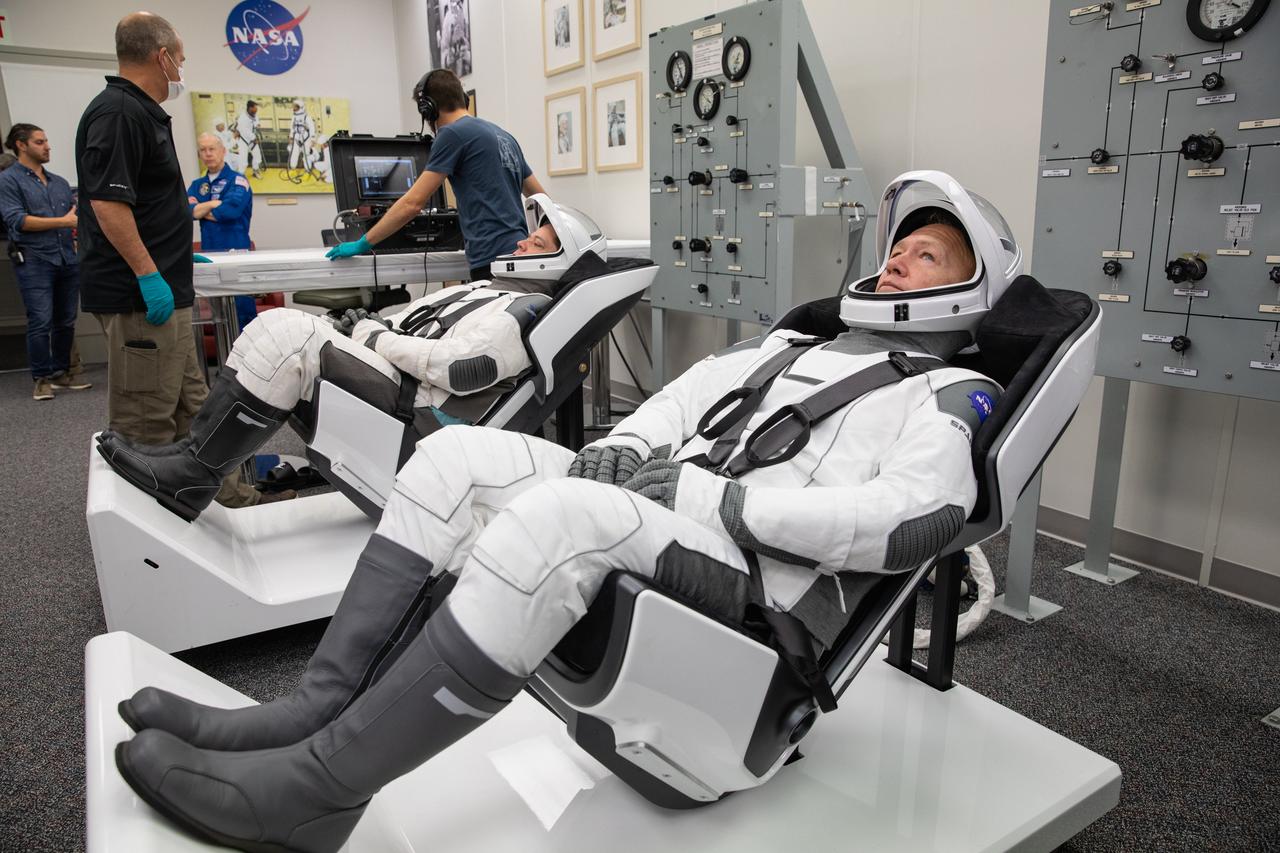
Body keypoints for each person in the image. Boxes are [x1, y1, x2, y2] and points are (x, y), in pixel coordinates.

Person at [113, 171, 1022, 852]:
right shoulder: (791, 342)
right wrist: (630, 446)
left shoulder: (952, 391)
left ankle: (320, 788)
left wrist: (714, 496)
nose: (901, 257)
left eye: (929, 253)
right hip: (672, 511)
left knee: (556, 524)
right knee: (452, 459)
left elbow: (911, 520)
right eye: (900, 245)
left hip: (763, 587)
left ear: (969, 287)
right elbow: (683, 400)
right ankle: (312, 712)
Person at [96, 195, 588, 522]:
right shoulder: (488, 286)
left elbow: (457, 370)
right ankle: (193, 460)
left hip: (416, 419)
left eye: (537, 242)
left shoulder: (524, 311)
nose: (523, 241)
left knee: (287, 340)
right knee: (274, 328)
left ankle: (191, 475)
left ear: (555, 261)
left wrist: (371, 336)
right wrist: (367, 329)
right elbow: (406, 320)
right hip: (396, 383)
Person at [75, 11, 267, 510]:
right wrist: (149, 273)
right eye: (179, 58)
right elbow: (107, 204)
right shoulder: (118, 113)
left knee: (195, 411)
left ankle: (231, 506)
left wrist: (177, 255)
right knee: (147, 423)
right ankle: (150, 546)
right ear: (162, 57)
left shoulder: (142, 113)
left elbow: (152, 202)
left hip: (169, 290)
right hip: (143, 298)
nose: (182, 67)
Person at [325, 68, 546, 283]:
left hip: (491, 260)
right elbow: (542, 199)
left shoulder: (452, 133)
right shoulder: (503, 135)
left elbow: (412, 203)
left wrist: (363, 242)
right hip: (520, 254)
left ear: (428, 109)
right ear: (462, 99)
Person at [0, 123, 91, 400]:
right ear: (21, 144)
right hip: (35, 260)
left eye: (46, 141)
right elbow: (17, 220)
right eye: (40, 142)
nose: (47, 146)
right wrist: (62, 221)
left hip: (66, 257)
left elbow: (75, 220)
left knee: (65, 320)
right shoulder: (8, 181)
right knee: (40, 320)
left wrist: (73, 234)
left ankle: (61, 372)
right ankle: (41, 378)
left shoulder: (60, 183)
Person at [187, 132, 256, 331]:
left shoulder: (238, 181)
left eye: (212, 149)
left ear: (223, 151)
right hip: (210, 255)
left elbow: (230, 212)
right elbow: (187, 212)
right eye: (203, 150)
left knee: (243, 312)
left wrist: (202, 209)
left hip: (236, 253)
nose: (208, 154)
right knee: (219, 315)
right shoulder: (197, 185)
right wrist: (213, 204)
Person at [235, 100, 262, 178]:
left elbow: (256, 121)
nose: (256, 110)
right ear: (250, 108)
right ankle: (240, 175)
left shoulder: (254, 115)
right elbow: (244, 131)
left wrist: (258, 125)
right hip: (244, 141)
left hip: (252, 141)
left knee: (257, 156)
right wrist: (254, 138)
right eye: (255, 108)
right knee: (243, 161)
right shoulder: (242, 118)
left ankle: (255, 171)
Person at [288, 99, 316, 173]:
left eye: (296, 107)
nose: (294, 108)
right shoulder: (294, 117)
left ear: (301, 107)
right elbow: (292, 128)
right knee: (294, 153)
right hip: (296, 138)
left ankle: (307, 170)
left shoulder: (307, 117)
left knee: (306, 154)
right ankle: (293, 168)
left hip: (306, 138)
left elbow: (312, 128)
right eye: (294, 107)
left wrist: (313, 139)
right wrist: (291, 137)